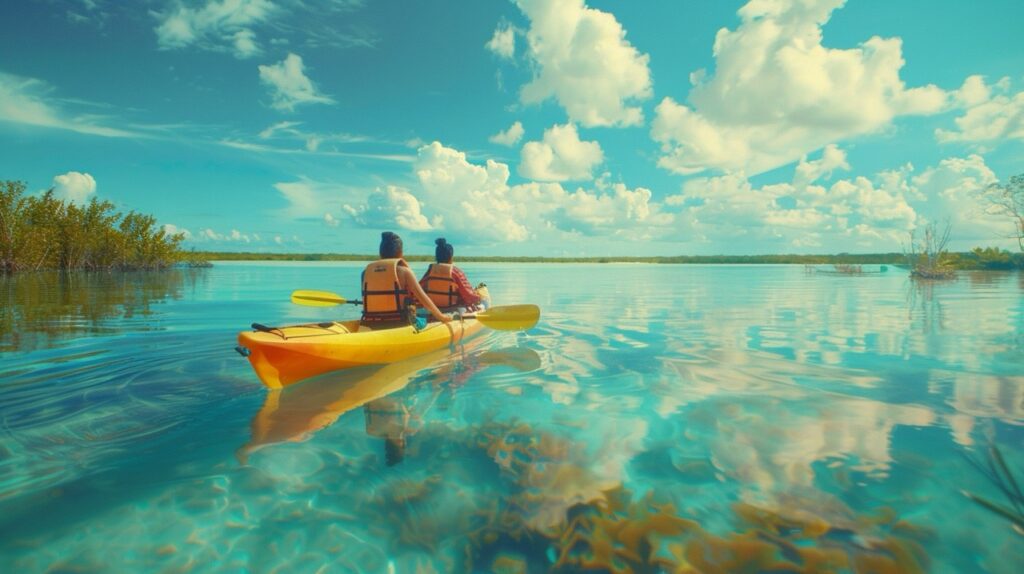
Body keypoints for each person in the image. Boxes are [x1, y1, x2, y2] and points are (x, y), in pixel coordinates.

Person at [361, 232, 451, 328]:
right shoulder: (405, 272)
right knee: (423, 319)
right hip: (401, 323)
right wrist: (442, 317)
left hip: (371, 322)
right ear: (400, 252)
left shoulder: (365, 272)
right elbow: (425, 301)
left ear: (380, 253)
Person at [419, 238, 484, 314]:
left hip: (433, 309)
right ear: (451, 257)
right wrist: (479, 298)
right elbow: (469, 296)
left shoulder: (430, 271)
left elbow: (418, 290)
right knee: (483, 301)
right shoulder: (455, 272)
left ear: (436, 257)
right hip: (453, 310)